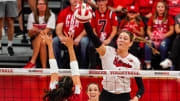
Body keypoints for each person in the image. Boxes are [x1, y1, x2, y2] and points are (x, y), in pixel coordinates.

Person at [82, 21, 145, 101]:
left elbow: (141, 88)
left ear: (130, 43)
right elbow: (92, 36)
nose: (121, 40)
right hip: (106, 95)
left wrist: (136, 98)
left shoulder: (134, 61)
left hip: (124, 96)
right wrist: (85, 21)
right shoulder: (106, 51)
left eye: (125, 39)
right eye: (120, 37)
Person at [43, 32, 82, 101]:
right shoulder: (76, 98)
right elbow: (75, 73)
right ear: (72, 88)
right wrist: (70, 47)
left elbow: (53, 70)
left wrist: (49, 45)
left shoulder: (53, 95)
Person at [53, 0, 89, 69]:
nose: (75, 0)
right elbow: (58, 28)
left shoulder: (85, 12)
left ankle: (83, 68)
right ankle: (57, 68)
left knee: (84, 42)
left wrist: (79, 38)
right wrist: (61, 37)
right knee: (54, 41)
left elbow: (87, 29)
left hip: (79, 38)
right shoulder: (64, 12)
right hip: (66, 38)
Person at [24, 0, 56, 68]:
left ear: (46, 6)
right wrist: (32, 31)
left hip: (48, 37)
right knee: (41, 41)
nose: (42, 6)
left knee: (42, 40)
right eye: (40, 4)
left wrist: (37, 30)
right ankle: (44, 68)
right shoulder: (31, 15)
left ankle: (33, 61)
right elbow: (29, 34)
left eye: (44, 4)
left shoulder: (51, 15)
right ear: (37, 6)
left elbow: (46, 31)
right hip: (35, 38)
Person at [145, 1, 174, 69]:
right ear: (156, 8)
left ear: (165, 8)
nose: (160, 8)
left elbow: (172, 30)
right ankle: (148, 66)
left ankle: (163, 65)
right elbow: (148, 29)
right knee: (147, 45)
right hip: (154, 37)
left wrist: (164, 36)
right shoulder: (152, 17)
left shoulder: (169, 17)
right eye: (158, 7)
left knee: (163, 47)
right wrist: (151, 35)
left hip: (165, 37)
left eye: (162, 7)